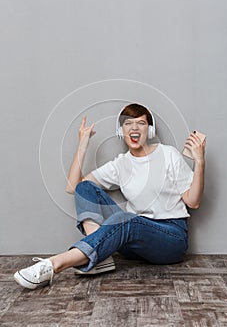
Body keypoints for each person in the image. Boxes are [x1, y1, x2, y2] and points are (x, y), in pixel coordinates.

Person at [14, 103, 206, 289]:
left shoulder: (168, 154)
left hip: (169, 239)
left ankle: (53, 265)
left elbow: (193, 201)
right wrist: (83, 144)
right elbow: (73, 186)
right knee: (85, 188)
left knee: (126, 219)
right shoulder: (121, 164)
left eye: (141, 123)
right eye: (128, 123)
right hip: (131, 243)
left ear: (150, 130)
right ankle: (100, 257)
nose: (134, 128)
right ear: (120, 131)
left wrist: (199, 162)